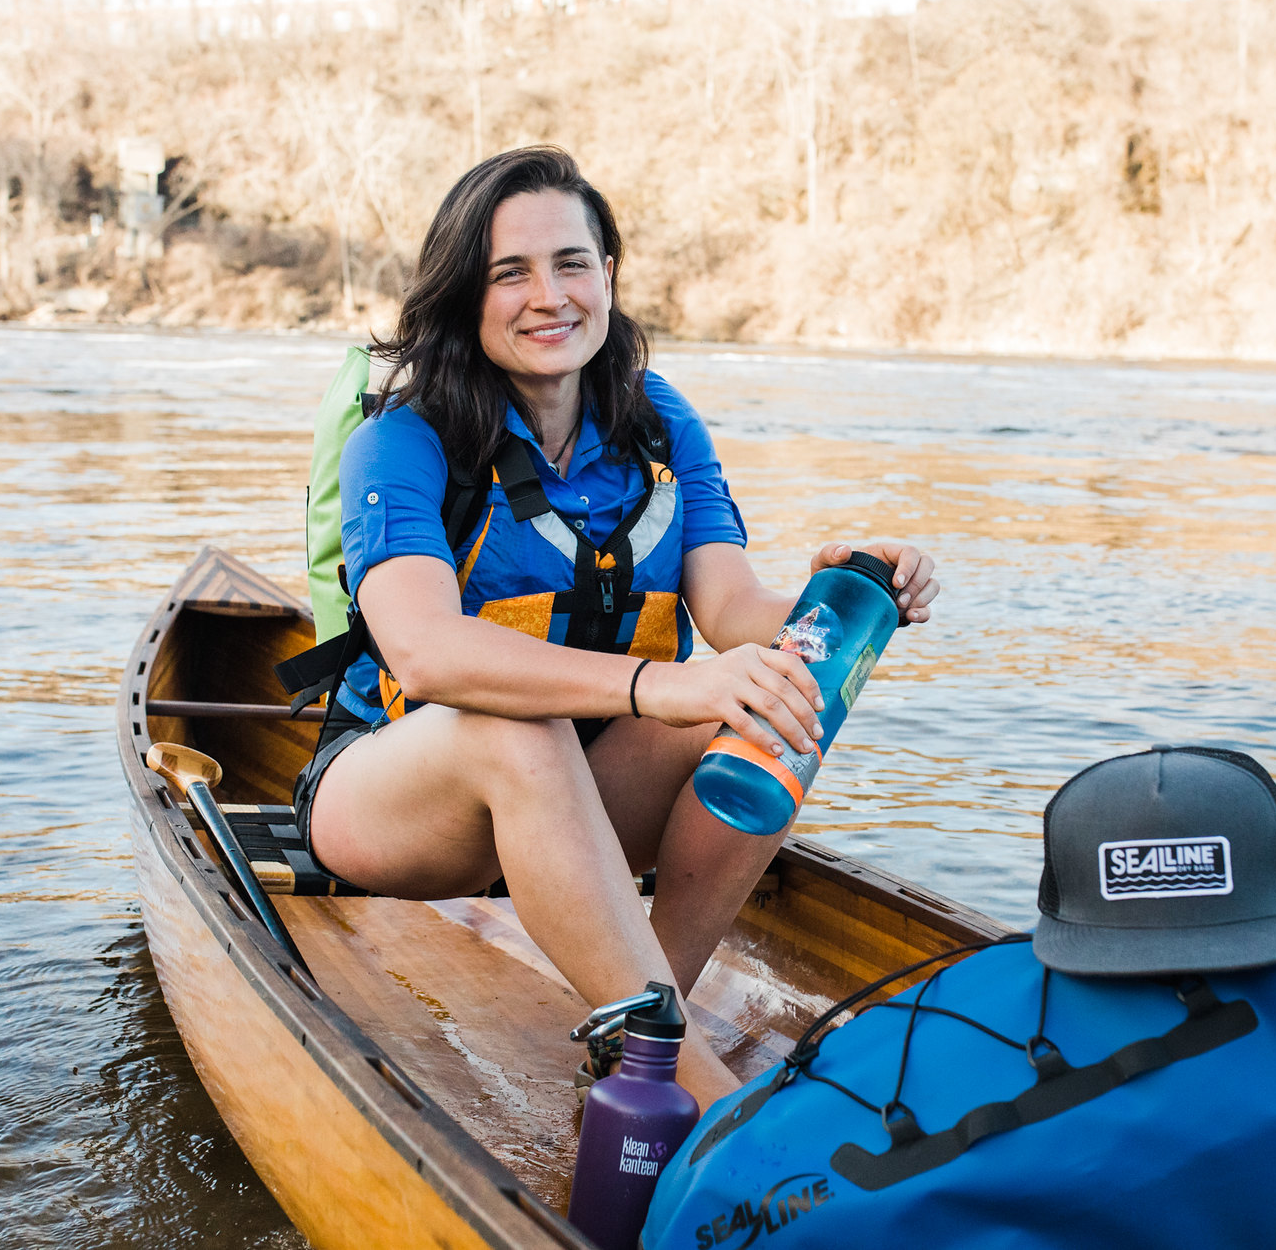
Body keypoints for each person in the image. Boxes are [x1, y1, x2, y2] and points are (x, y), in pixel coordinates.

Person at [295, 146, 940, 1106]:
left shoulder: (659, 422)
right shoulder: (401, 437)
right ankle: (708, 1099)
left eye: (570, 262)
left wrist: (848, 589)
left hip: (587, 798)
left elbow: (731, 612)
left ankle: (641, 1037)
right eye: (509, 272)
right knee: (518, 725)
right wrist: (657, 685)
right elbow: (424, 653)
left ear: (609, 275)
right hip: (395, 797)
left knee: (776, 696)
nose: (547, 295)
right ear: (464, 296)